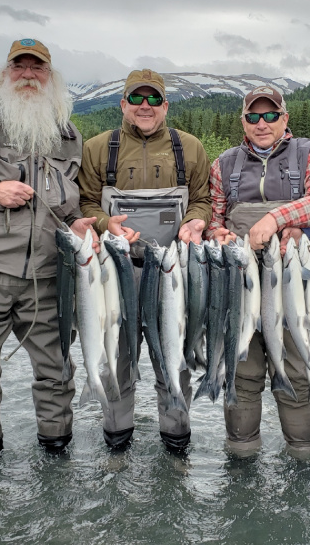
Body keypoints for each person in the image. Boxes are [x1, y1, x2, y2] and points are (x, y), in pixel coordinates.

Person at [0, 38, 97, 462]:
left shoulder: (66, 133)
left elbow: (68, 200)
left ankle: (56, 451)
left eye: (36, 67)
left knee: (58, 371)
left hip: (48, 274)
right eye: (18, 67)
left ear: (50, 76)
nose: (27, 75)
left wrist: (76, 220)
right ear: (4, 74)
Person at [78, 68, 211, 451]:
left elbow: (202, 198)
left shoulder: (191, 147)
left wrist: (196, 220)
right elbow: (86, 202)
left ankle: (176, 439)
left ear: (166, 105)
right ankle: (116, 439)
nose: (145, 106)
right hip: (118, 272)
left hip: (173, 275)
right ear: (123, 104)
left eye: (154, 99)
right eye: (137, 98)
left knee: (173, 351)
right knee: (118, 355)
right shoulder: (98, 147)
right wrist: (105, 222)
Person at [205, 85, 310, 453]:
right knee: (241, 371)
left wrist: (276, 219)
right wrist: (218, 234)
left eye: (270, 115)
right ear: (243, 121)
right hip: (239, 282)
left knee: (295, 373)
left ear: (285, 118)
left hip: (290, 282)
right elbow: (212, 218)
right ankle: (241, 453)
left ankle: (303, 455)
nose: (261, 123)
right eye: (253, 116)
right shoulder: (223, 164)